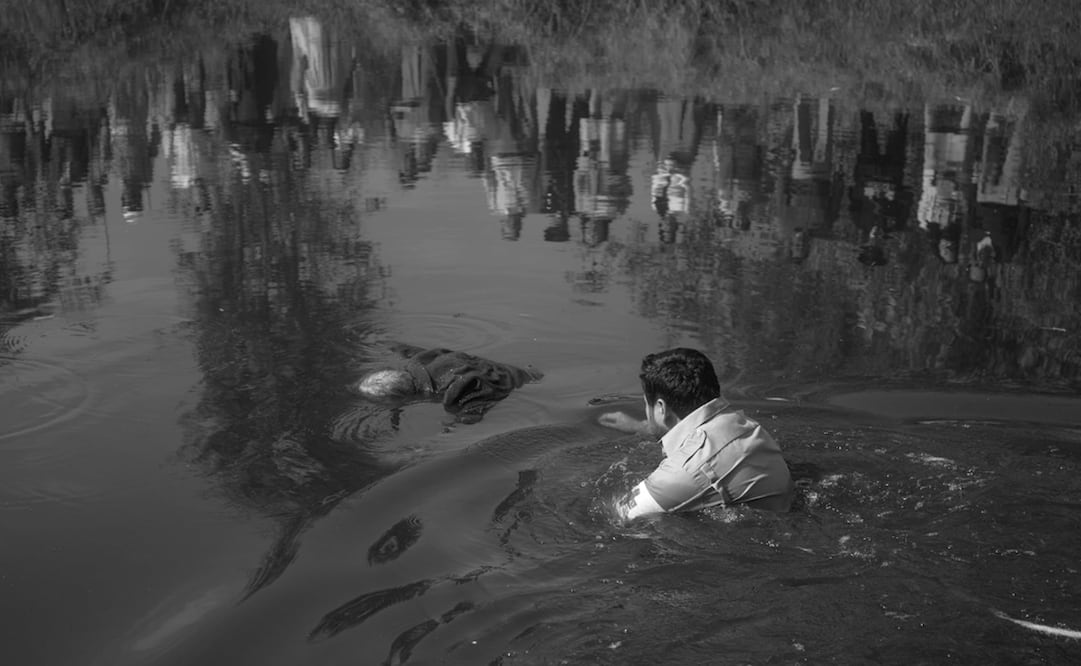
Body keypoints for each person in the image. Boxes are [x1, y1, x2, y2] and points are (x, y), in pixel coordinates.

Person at [598, 348, 793, 520]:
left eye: (646, 405)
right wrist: (641, 427)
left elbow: (618, 516)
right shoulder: (746, 426)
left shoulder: (682, 472)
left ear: (660, 408)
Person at [355, 343, 543, 423]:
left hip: (530, 382)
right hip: (523, 370)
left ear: (402, 400)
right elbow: (412, 350)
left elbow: (472, 414)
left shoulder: (453, 391)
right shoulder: (420, 360)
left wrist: (448, 427)